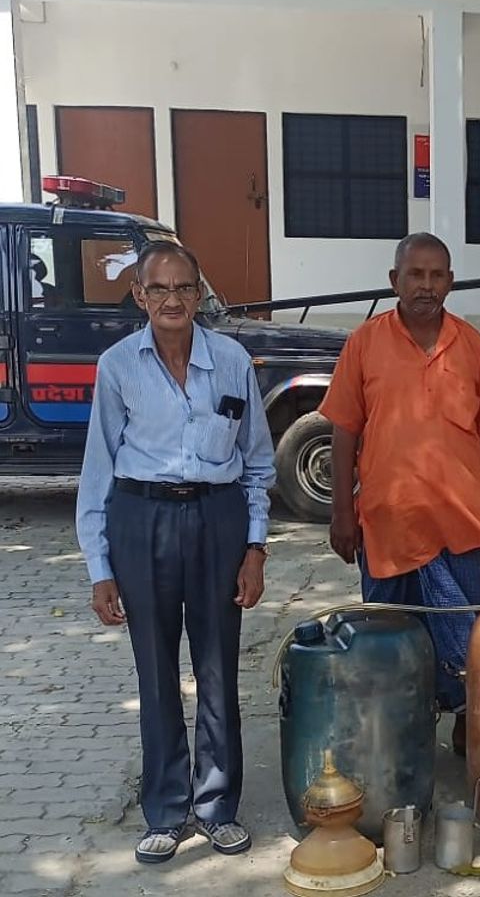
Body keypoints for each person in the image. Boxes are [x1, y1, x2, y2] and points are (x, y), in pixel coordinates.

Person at [76, 241, 275, 864]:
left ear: (199, 294)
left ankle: (217, 807)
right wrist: (100, 568)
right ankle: (165, 809)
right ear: (139, 295)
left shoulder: (232, 360)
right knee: (156, 671)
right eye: (157, 288)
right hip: (143, 519)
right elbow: (98, 471)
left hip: (218, 519)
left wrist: (255, 547)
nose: (171, 299)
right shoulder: (117, 366)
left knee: (217, 667)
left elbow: (258, 463)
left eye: (183, 287)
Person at [321, 232, 480, 755]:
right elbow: (344, 430)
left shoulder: (471, 344)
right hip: (389, 522)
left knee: (465, 630)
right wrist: (342, 513)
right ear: (395, 280)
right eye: (415, 275)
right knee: (391, 636)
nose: (425, 286)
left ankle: (465, 716)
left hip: (462, 521)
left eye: (436, 276)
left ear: (450, 282)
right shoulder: (364, 343)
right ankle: (401, 728)